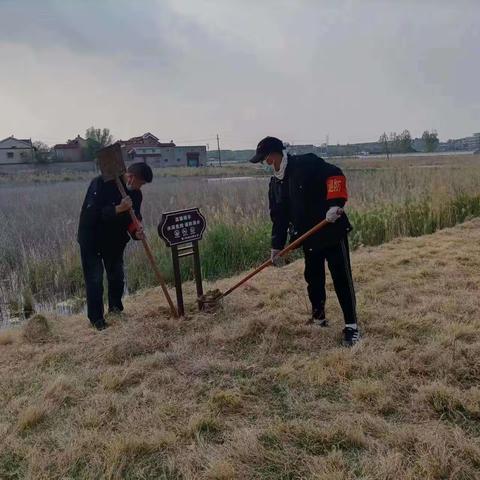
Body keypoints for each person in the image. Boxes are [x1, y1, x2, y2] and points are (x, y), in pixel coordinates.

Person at [250, 136, 360, 346]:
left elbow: (335, 174)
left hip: (330, 229)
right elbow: (279, 218)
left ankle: (352, 327)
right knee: (313, 277)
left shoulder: (306, 163)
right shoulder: (275, 184)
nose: (265, 164)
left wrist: (334, 204)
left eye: (266, 159)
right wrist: (276, 247)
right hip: (307, 237)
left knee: (341, 278)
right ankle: (319, 318)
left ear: (274, 155)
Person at [77, 161, 153, 330]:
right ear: (131, 177)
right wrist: (118, 208)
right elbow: (91, 214)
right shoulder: (101, 183)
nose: (140, 187)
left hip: (115, 241)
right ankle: (97, 320)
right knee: (95, 279)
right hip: (92, 239)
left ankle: (116, 310)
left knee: (117, 276)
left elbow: (134, 219)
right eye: (140, 183)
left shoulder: (136, 194)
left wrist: (137, 231)